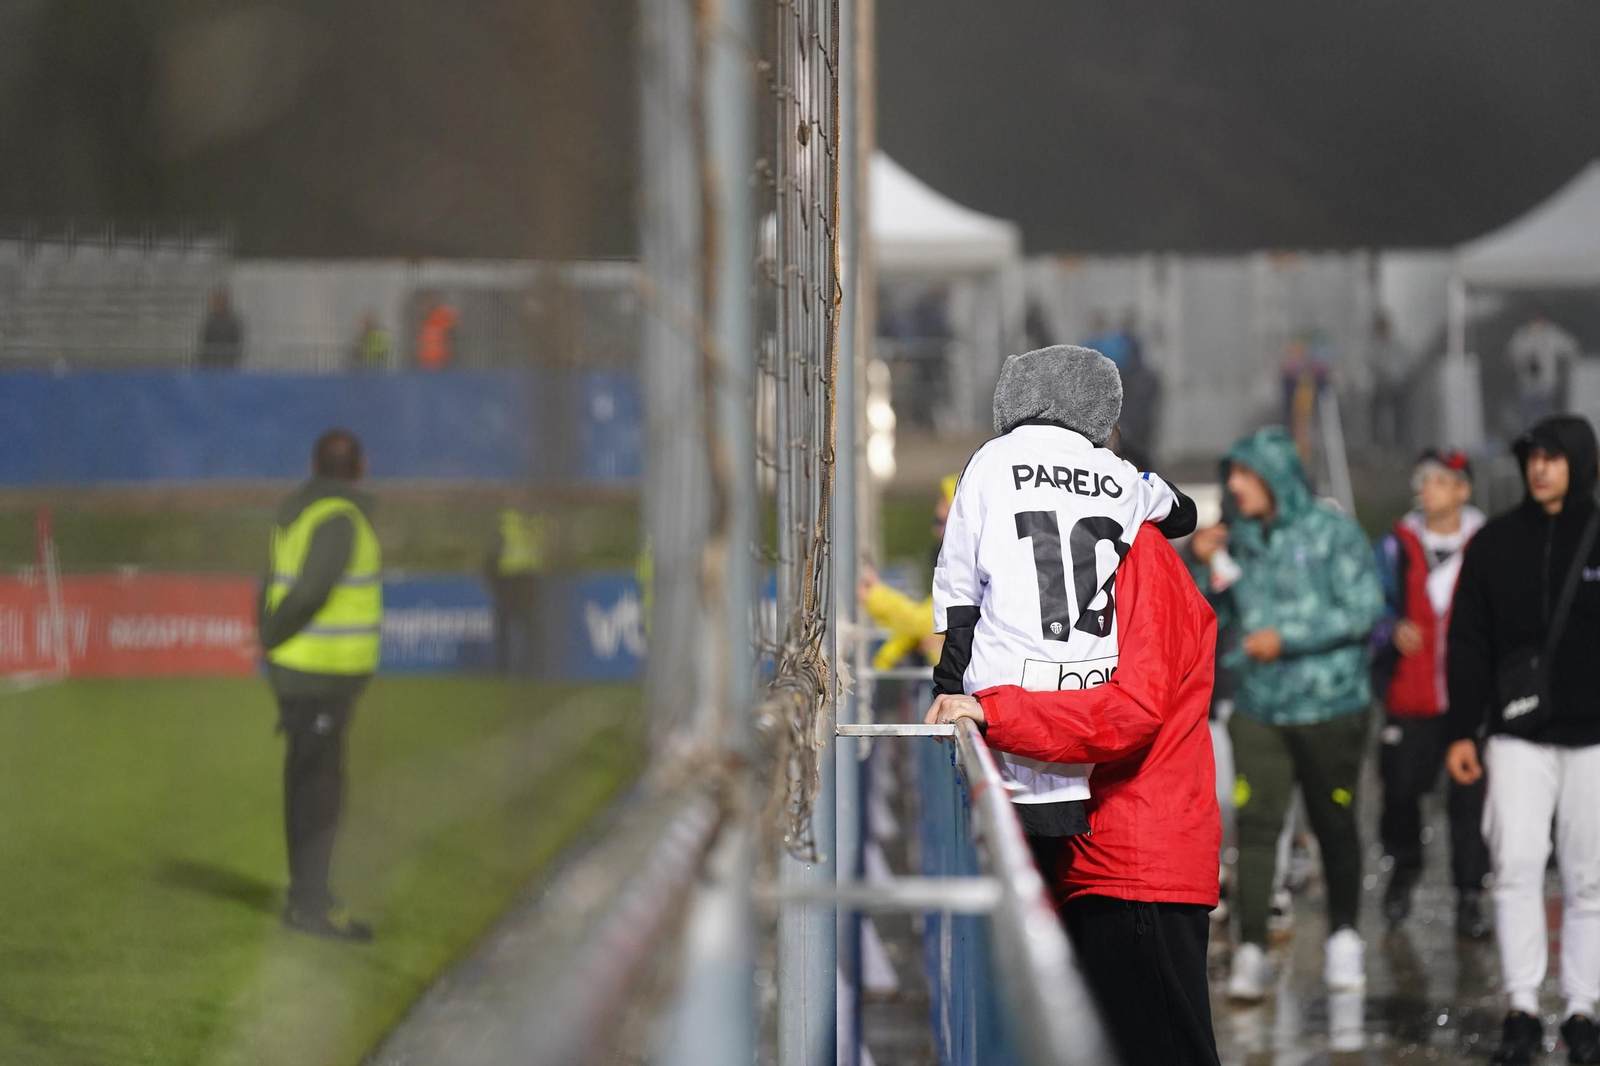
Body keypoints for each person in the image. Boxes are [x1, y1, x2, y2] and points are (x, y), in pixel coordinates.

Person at [926, 520, 1222, 1066]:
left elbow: (1134, 708)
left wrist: (997, 711)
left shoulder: (1141, 557)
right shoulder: (1097, 553)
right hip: (1105, 855)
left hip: (1137, 863)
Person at [932, 344, 1196, 851]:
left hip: (999, 689)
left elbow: (959, 583)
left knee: (993, 855)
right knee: (1051, 868)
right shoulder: (1117, 473)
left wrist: (947, 677)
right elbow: (1182, 512)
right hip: (1082, 694)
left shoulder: (991, 460)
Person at [1191, 427, 1383, 1001]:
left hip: (1332, 707)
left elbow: (1365, 608)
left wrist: (1288, 639)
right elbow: (1215, 615)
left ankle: (1345, 937)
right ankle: (1251, 950)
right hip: (1259, 710)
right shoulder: (1239, 540)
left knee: (1334, 823)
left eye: (1246, 475)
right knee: (1255, 829)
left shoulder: (1333, 533)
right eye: (1232, 475)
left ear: (1275, 477)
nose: (1235, 486)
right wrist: (1202, 567)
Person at [1445, 415, 1600, 1066]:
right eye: (1533, 457)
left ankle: (1583, 1011)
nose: (1540, 468)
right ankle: (1522, 1008)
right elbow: (1468, 642)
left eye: (1554, 458)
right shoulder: (1495, 544)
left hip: (1595, 739)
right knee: (1512, 871)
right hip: (1515, 738)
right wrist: (1462, 729)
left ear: (1581, 464)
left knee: (1590, 881)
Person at [257, 429, 381, 941]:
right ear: (360, 466)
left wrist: (266, 638)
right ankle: (310, 904)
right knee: (319, 789)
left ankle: (308, 895)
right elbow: (309, 591)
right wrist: (270, 635)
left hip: (301, 671)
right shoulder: (338, 517)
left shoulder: (298, 512)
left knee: (307, 780)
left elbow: (270, 582)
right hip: (320, 673)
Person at [1371, 449, 1490, 936]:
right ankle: (1405, 867)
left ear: (1463, 490)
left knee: (1470, 800)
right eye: (1423, 480)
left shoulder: (1486, 543)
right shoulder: (1395, 545)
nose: (1427, 489)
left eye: (1439, 481)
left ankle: (1468, 895)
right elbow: (1370, 602)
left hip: (1467, 698)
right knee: (1399, 792)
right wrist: (1391, 628)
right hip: (1410, 692)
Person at [857, 475, 956, 673]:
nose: (936, 532)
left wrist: (875, 596)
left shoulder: (975, 566)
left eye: (943, 523)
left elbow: (929, 620)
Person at [484, 504, 551, 677]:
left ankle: (520, 668)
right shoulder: (528, 520)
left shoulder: (513, 520)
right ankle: (517, 668)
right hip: (515, 579)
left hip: (522, 579)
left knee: (523, 628)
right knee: (518, 627)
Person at [1506, 309, 1579, 429]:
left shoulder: (1553, 334)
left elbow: (1570, 348)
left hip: (1546, 385)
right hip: (1527, 385)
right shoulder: (1522, 335)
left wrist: (1562, 362)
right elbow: (1511, 355)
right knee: (1528, 417)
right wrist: (1524, 359)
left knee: (1545, 416)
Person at [198, 288, 244, 369]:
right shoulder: (209, 321)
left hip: (227, 363)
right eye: (214, 302)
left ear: (225, 303)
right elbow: (204, 342)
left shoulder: (232, 322)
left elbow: (237, 342)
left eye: (218, 302)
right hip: (210, 364)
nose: (215, 305)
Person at [415, 293, 459, 370]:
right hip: (425, 362)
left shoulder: (440, 317)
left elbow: (451, 334)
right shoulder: (424, 323)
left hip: (441, 362)